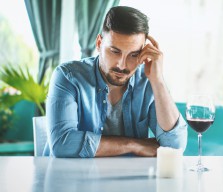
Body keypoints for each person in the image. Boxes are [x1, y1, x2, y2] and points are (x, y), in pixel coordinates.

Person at [44, 6, 187, 157]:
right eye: (115, 51)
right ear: (99, 43)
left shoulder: (148, 81)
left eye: (133, 55)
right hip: (71, 177)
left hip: (127, 177)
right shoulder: (68, 76)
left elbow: (174, 147)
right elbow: (63, 145)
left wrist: (157, 80)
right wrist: (133, 145)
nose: (122, 65)